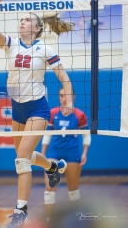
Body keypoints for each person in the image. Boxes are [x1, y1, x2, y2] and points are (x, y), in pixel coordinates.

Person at [0, 0, 74, 228]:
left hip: (37, 108)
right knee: (24, 156)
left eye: (26, 20)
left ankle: (20, 211)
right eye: (20, 19)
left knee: (21, 160)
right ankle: (54, 166)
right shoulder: (11, 44)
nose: (22, 22)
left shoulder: (44, 49)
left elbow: (64, 77)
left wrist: (70, 100)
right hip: (17, 108)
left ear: (37, 27)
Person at [41, 88, 91, 222]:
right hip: (54, 153)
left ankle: (75, 221)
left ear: (73, 97)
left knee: (73, 188)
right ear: (59, 97)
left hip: (72, 153)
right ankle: (49, 220)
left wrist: (85, 153)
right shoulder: (52, 113)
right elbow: (47, 135)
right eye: (61, 95)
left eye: (67, 96)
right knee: (49, 187)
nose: (64, 98)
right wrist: (43, 154)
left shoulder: (80, 115)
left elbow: (86, 136)